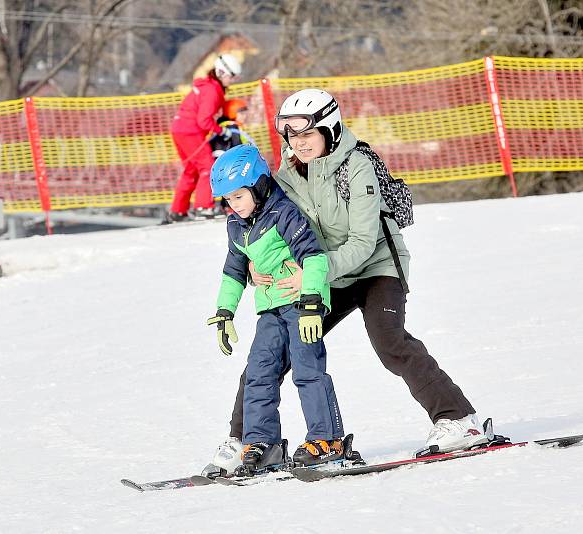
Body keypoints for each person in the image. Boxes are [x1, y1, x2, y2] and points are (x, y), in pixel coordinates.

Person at [204, 89, 485, 474]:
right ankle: (247, 440)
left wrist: (311, 273)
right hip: (319, 274)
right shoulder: (284, 178)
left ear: (330, 129)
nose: (299, 144)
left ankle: (459, 421)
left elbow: (363, 241)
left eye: (307, 134)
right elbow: (268, 231)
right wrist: (256, 270)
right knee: (275, 351)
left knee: (390, 342)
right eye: (292, 137)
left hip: (375, 268)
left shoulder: (356, 166)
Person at [202, 143, 346, 476]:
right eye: (228, 200)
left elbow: (313, 256)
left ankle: (327, 440)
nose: (233, 206)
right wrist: (224, 312)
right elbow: (233, 270)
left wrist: (311, 302)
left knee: (308, 369)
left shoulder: (283, 212)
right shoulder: (237, 226)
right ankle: (262, 443)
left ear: (258, 185)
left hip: (300, 303)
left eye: (239, 196)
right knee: (259, 372)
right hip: (270, 308)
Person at [165, 54, 242, 223]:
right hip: (190, 131)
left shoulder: (209, 86)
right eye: (231, 76)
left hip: (179, 128)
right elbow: (204, 120)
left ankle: (178, 210)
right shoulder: (212, 90)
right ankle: (203, 207)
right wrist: (221, 131)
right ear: (221, 72)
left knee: (190, 170)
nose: (233, 80)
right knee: (207, 167)